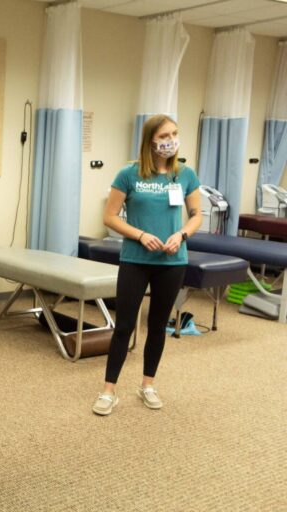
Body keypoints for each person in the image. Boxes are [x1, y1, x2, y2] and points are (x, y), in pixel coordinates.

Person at [92, 114, 203, 416]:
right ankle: (108, 391)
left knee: (157, 326)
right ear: (151, 140)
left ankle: (148, 385)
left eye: (175, 134)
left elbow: (196, 215)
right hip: (135, 260)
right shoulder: (129, 174)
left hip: (172, 260)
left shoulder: (185, 175)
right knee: (125, 325)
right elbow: (110, 217)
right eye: (165, 135)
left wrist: (181, 234)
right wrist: (140, 235)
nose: (171, 140)